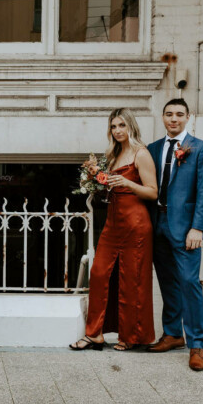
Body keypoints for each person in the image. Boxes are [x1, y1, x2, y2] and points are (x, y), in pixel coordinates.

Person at [69, 108, 157, 352]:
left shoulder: (142, 154)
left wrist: (128, 183)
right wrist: (94, 182)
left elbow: (152, 191)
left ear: (131, 126)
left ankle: (131, 336)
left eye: (121, 125)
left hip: (136, 224)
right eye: (113, 126)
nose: (117, 131)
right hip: (113, 223)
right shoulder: (113, 155)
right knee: (98, 274)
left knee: (132, 280)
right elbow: (111, 188)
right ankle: (94, 334)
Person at [146, 98, 203, 371]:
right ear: (162, 117)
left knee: (189, 282)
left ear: (189, 117)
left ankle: (196, 344)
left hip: (186, 227)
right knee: (167, 282)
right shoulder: (152, 149)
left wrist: (198, 227)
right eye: (169, 114)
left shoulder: (200, 149)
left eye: (179, 115)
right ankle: (173, 334)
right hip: (157, 224)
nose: (173, 119)